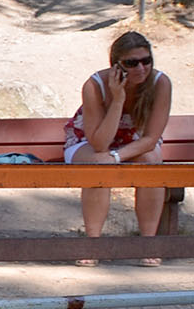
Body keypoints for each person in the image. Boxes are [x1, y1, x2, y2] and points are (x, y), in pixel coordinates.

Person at [65, 30, 174, 265]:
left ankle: (148, 244)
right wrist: (118, 99)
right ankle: (93, 244)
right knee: (98, 164)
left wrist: (115, 157)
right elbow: (99, 143)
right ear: (116, 65)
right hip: (90, 140)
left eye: (146, 61)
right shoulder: (95, 85)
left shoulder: (160, 83)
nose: (140, 68)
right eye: (131, 63)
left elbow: (151, 138)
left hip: (136, 142)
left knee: (151, 162)